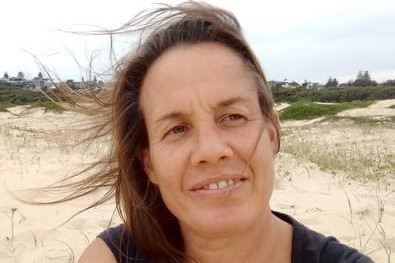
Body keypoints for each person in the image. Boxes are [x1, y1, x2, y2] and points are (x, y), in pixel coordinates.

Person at [72, 1, 374, 262]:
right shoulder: (113, 257)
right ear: (149, 164)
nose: (211, 150)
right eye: (177, 129)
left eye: (232, 117)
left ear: (271, 135)